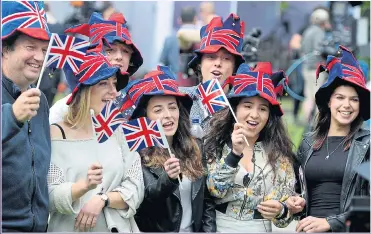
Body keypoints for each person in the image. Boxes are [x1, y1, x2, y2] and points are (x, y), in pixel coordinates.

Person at [47, 51, 144, 232]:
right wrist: (84, 186)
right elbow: (49, 196)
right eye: (103, 84)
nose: (114, 92)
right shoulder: (55, 133)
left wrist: (102, 199)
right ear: (83, 90)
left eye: (114, 84)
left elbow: (136, 188)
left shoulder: (117, 130)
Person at [121, 66, 216, 232]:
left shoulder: (196, 146)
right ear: (146, 116)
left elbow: (206, 201)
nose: (168, 115)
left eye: (172, 107)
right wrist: (169, 179)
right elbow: (147, 199)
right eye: (158, 110)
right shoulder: (137, 154)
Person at [204, 62, 297, 232]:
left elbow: (285, 218)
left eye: (262, 109)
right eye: (247, 106)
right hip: (220, 227)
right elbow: (215, 191)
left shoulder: (279, 154)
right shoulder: (215, 145)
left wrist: (282, 210)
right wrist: (234, 154)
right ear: (236, 109)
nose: (254, 115)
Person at [286, 45, 370, 233]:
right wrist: (295, 201)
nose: (346, 105)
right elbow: (298, 189)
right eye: (340, 97)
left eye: (354, 99)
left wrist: (331, 223)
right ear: (329, 101)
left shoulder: (367, 144)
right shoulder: (308, 143)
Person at [2, 1, 52, 232]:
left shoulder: (41, 101)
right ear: (5, 48)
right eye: (30, 47)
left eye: (44, 49)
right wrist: (11, 116)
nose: (39, 57)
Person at [49, 11, 143, 123]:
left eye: (126, 51)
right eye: (110, 50)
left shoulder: (136, 107)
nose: (119, 57)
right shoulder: (63, 110)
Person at [180, 13, 245, 129]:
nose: (218, 63)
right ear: (199, 64)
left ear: (235, 67)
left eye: (226, 58)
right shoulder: (180, 99)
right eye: (211, 57)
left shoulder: (244, 106)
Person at [300, 7, 332, 122]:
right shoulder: (319, 32)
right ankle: (316, 123)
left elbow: (302, 48)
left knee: (308, 95)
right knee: (317, 96)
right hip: (315, 69)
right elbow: (320, 50)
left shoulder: (308, 31)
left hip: (306, 67)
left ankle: (307, 121)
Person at [159, 6, 200, 86]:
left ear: (179, 20)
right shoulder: (202, 39)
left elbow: (162, 63)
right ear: (195, 19)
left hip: (173, 85)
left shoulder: (170, 40)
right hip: (195, 85)